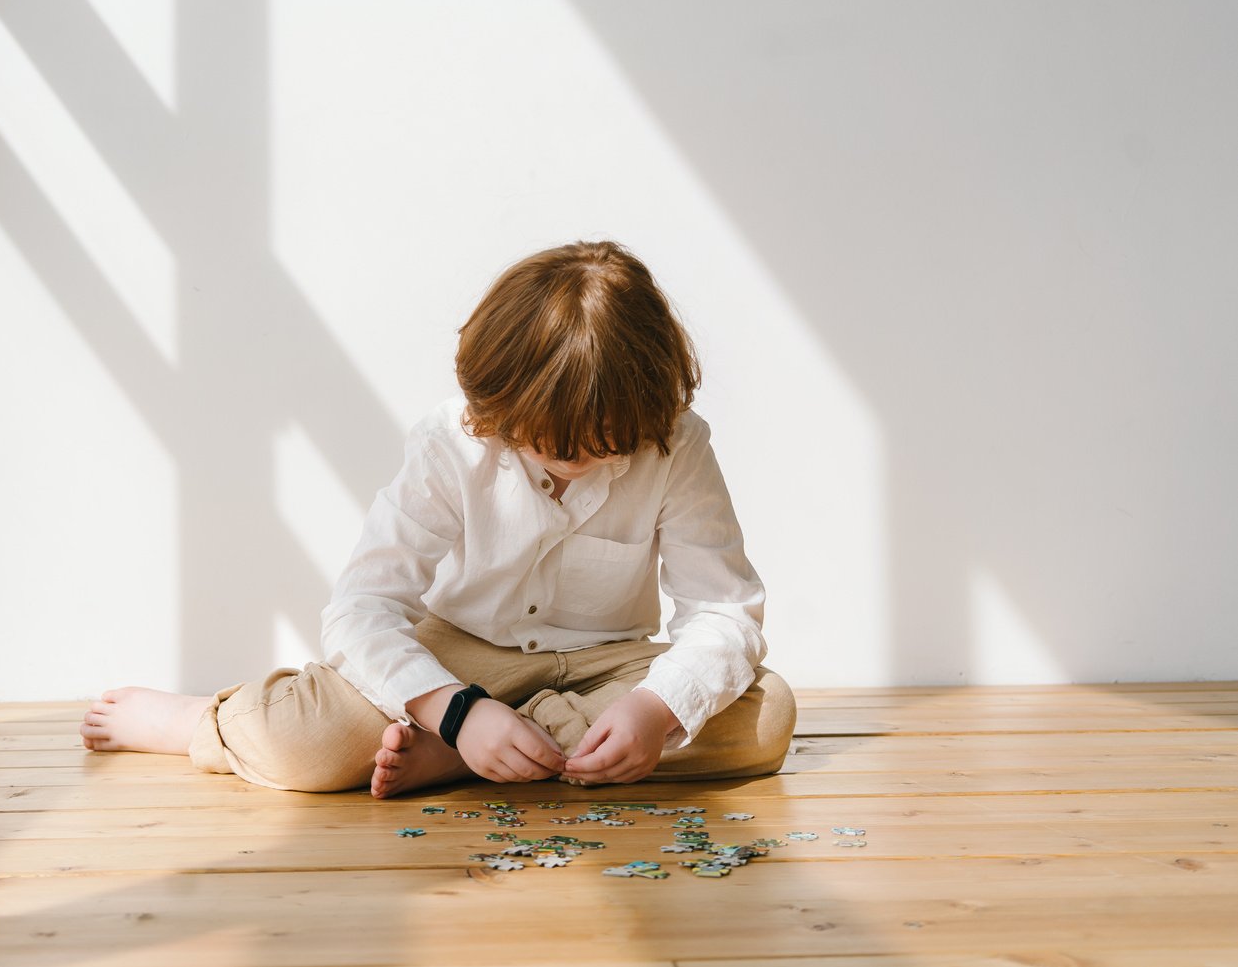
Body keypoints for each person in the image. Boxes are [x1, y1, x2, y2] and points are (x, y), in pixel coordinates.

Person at [80, 240, 795, 798]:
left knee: (765, 718)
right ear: (500, 403)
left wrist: (651, 709)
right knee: (306, 741)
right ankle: (194, 722)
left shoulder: (675, 440)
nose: (577, 459)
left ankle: (470, 757)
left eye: (606, 445)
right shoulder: (450, 442)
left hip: (606, 661)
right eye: (551, 442)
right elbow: (361, 610)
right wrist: (455, 708)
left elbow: (725, 612)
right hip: (461, 653)